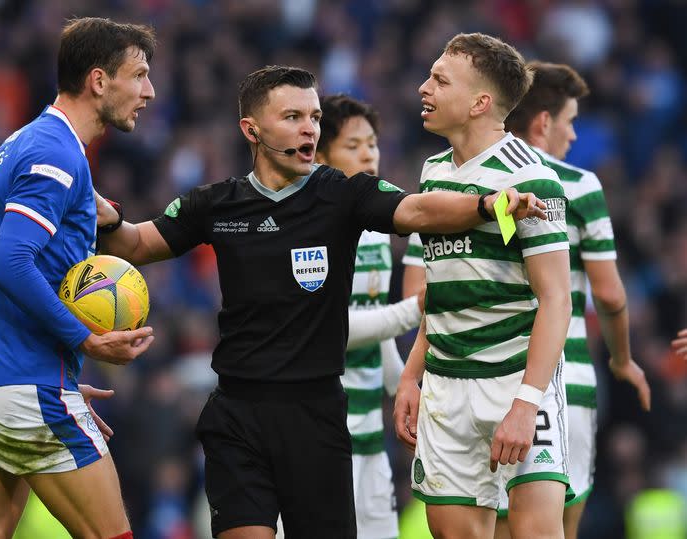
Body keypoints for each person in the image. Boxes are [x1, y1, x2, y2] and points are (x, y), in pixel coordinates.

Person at [95, 65, 547, 539]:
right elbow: (137, 244)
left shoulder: (341, 194)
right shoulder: (216, 203)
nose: (309, 127)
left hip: (315, 415)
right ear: (252, 129)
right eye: (292, 116)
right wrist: (108, 219)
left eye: (313, 116)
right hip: (237, 415)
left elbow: (416, 209)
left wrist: (486, 204)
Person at [0, 17, 156, 539]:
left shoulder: (20, 144)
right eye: (140, 75)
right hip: (24, 385)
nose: (149, 91)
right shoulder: (56, 151)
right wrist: (86, 340)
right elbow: (12, 262)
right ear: (99, 81)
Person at [393, 33, 573, 539]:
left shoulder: (532, 178)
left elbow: (557, 300)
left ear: (480, 103)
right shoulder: (432, 175)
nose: (423, 87)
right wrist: (413, 374)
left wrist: (525, 404)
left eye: (439, 80)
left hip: (515, 379)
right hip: (446, 387)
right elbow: (440, 292)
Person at [494, 61, 651, 539]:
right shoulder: (578, 184)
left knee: (493, 523)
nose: (574, 135)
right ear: (544, 121)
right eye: (570, 121)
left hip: (487, 373)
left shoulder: (468, 177)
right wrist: (623, 360)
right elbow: (608, 293)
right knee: (558, 524)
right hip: (562, 378)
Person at [314, 94, 422, 539]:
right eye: (354, 145)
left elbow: (373, 324)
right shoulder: (313, 231)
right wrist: (415, 309)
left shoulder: (376, 237)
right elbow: (325, 333)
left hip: (370, 435)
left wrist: (403, 387)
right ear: (321, 158)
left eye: (373, 144)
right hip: (321, 435)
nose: (368, 154)